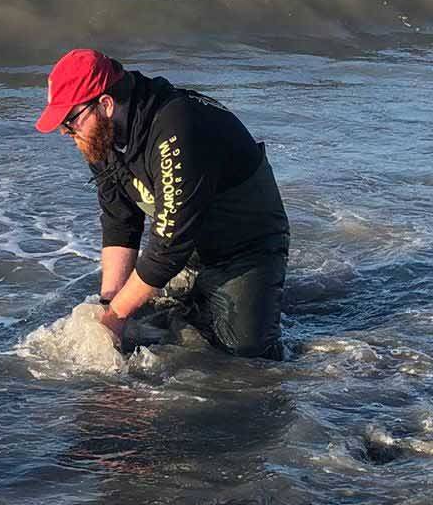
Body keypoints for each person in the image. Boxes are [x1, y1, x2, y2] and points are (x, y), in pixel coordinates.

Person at [36, 49, 290, 360]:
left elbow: (168, 246)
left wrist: (116, 318)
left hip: (245, 249)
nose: (65, 132)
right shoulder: (98, 136)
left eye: (70, 120)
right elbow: (120, 221)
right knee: (153, 331)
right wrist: (109, 305)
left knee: (244, 360)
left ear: (105, 104)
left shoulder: (177, 127)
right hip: (188, 250)